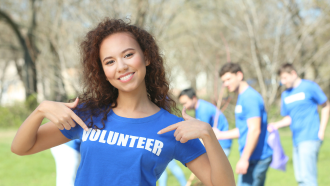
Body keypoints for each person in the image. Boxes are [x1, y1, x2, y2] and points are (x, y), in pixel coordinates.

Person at [11, 18, 235, 186]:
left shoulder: (172, 128)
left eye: (128, 55)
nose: (121, 66)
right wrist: (39, 111)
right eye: (109, 61)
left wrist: (208, 134)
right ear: (103, 72)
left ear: (146, 57)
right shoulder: (88, 115)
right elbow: (22, 147)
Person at [268, 63, 329, 186]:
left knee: (308, 178)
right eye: (281, 79)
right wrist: (276, 125)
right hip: (296, 139)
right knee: (300, 178)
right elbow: (288, 118)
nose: (283, 81)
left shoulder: (309, 87)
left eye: (285, 78)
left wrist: (321, 130)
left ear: (294, 73)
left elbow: (326, 106)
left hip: (310, 136)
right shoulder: (286, 95)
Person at [216, 62, 273, 186]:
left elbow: (255, 130)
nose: (225, 84)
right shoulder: (242, 97)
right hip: (253, 157)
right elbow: (244, 129)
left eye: (228, 79)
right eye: (223, 81)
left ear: (239, 75)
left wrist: (244, 159)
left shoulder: (249, 97)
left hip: (257, 158)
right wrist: (220, 135)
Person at [178, 88, 232, 157]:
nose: (184, 106)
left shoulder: (203, 110)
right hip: (218, 142)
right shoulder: (200, 107)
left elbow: (203, 134)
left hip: (221, 144)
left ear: (194, 98)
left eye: (185, 103)